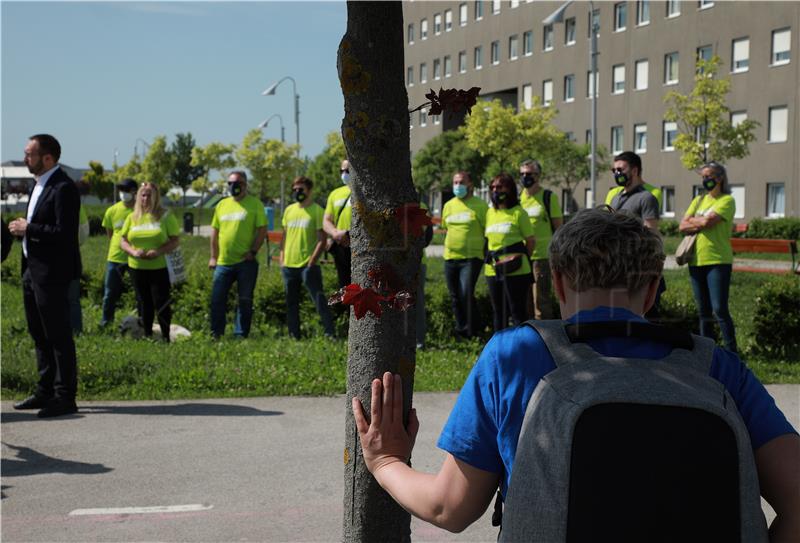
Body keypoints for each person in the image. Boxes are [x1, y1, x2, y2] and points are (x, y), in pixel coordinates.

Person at [351, 208, 799, 539]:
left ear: (559, 282)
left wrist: (386, 462)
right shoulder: (715, 366)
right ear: (652, 288)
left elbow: (449, 508)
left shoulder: (516, 355)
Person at [10, 134, 81, 418]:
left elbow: (65, 234)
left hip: (52, 273)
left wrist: (29, 229)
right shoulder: (38, 185)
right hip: (32, 269)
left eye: (30, 153)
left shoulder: (63, 188)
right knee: (38, 333)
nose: (25, 157)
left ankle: (65, 396)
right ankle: (45, 390)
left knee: (58, 335)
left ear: (47, 157)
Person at [679, 161, 739, 353]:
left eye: (709, 176)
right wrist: (701, 221)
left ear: (720, 178)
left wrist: (695, 221)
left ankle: (731, 352)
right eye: (703, 177)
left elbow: (709, 222)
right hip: (696, 260)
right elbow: (682, 225)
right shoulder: (699, 200)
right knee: (703, 312)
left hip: (718, 260)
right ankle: (707, 353)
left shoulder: (727, 201)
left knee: (719, 309)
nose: (705, 180)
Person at [607, 151, 666, 319]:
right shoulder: (616, 198)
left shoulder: (646, 198)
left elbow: (651, 234)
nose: (617, 173)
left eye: (621, 169)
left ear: (634, 170)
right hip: (619, 267)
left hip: (640, 269)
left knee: (647, 318)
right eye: (614, 170)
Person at [208, 171, 267, 339]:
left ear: (245, 184)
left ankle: (240, 334)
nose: (233, 186)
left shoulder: (255, 204)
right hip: (223, 263)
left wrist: (253, 251)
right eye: (230, 183)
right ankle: (216, 334)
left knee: (245, 300)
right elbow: (214, 231)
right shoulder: (222, 205)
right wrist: (213, 257)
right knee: (217, 300)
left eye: (238, 183)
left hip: (245, 263)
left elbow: (262, 230)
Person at [119, 182, 180, 341]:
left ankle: (166, 337)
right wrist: (133, 251)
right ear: (138, 197)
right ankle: (147, 335)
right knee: (143, 302)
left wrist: (158, 251)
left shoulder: (166, 215)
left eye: (149, 195)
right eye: (143, 195)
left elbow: (175, 240)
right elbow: (123, 241)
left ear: (156, 197)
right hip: (137, 266)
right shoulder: (132, 217)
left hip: (159, 267)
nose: (145, 198)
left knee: (161, 302)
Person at [280, 176, 335, 339]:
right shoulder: (289, 210)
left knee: (318, 300)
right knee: (291, 303)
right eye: (295, 190)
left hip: (307, 266)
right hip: (289, 266)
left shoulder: (317, 211)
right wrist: (282, 259)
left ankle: (329, 333)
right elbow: (284, 237)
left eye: (301, 189)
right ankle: (294, 335)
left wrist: (312, 261)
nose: (298, 192)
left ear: (309, 191)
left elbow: (322, 240)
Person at [484, 173, 535, 332]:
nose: (495, 190)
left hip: (516, 270)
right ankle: (500, 345)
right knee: (498, 311)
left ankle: (522, 345)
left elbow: (531, 241)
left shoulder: (519, 213)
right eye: (493, 187)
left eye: (500, 187)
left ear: (510, 189)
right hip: (493, 270)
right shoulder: (490, 213)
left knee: (517, 311)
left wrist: (516, 259)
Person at [442, 171, 488, 339]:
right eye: (455, 182)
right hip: (450, 257)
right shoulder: (448, 205)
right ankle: (462, 331)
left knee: (465, 293)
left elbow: (486, 231)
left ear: (470, 184)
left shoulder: (481, 205)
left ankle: (475, 330)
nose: (457, 186)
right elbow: (446, 228)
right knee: (455, 297)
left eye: (461, 182)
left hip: (472, 258)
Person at [519, 159, 562, 320]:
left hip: (542, 257)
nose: (525, 177)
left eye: (529, 174)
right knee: (524, 301)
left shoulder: (548, 197)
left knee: (541, 301)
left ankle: (546, 338)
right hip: (522, 257)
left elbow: (558, 228)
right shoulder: (517, 199)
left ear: (538, 176)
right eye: (522, 174)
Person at [99, 178, 138, 328]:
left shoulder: (140, 210)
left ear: (135, 192)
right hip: (115, 258)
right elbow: (110, 233)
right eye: (121, 190)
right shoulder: (112, 210)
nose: (123, 194)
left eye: (126, 190)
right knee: (110, 293)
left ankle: (143, 323)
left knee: (140, 294)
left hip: (136, 258)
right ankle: (106, 323)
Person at [323, 159, 353, 288]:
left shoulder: (366, 191)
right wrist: (335, 233)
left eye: (348, 170)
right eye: (342, 171)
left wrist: (348, 234)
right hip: (341, 245)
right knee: (344, 286)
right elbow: (326, 221)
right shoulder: (335, 194)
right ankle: (347, 309)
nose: (344, 174)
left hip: (359, 245)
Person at [67, 185, 90, 335]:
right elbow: (84, 233)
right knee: (72, 298)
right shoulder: (77, 204)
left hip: (62, 255)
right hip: (72, 253)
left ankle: (70, 330)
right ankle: (75, 330)